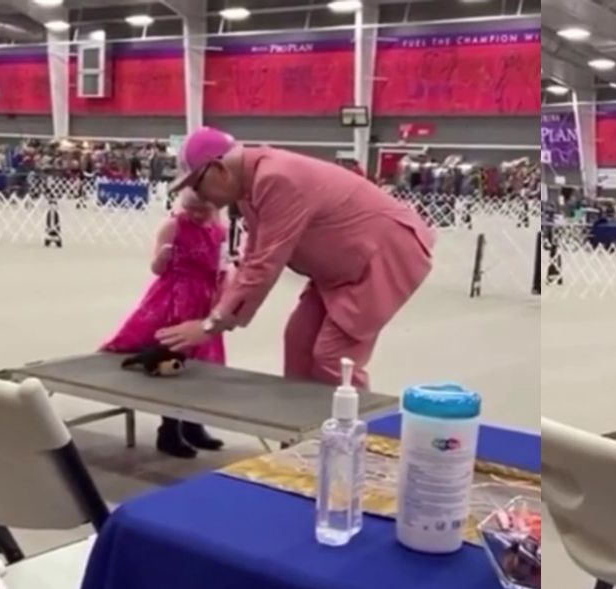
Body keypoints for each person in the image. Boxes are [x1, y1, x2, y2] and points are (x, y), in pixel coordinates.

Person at [156, 127, 434, 388]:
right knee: (298, 341)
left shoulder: (277, 179)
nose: (196, 195)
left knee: (333, 359)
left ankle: (356, 434)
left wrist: (210, 326)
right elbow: (253, 254)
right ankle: (301, 433)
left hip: (382, 257)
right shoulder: (248, 187)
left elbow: (266, 263)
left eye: (195, 184)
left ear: (218, 169)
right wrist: (221, 310)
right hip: (337, 268)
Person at [102, 191, 230, 458]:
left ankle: (194, 425)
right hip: (175, 298)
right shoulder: (173, 225)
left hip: (205, 299)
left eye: (202, 210)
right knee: (173, 362)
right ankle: (169, 430)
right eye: (191, 208)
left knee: (203, 364)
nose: (196, 215)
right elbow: (156, 269)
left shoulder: (220, 227)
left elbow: (221, 267)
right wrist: (162, 258)